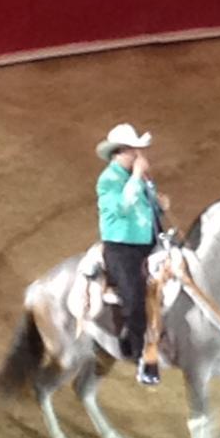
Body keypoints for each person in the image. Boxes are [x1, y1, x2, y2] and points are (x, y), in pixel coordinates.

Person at [95, 123, 170, 386]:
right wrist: (138, 177)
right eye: (135, 151)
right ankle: (141, 357)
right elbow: (122, 209)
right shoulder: (108, 180)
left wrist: (159, 206)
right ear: (121, 153)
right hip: (121, 248)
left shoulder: (140, 178)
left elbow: (145, 210)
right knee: (136, 297)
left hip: (147, 241)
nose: (140, 156)